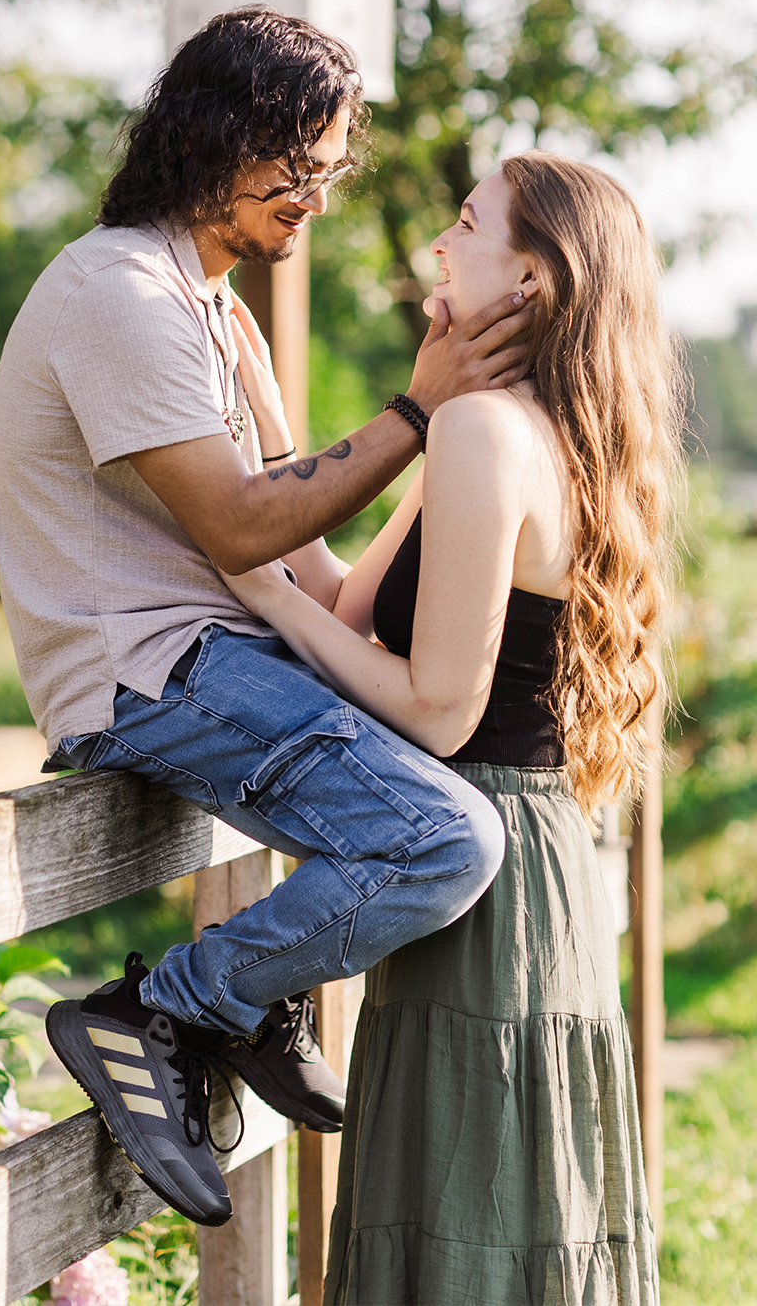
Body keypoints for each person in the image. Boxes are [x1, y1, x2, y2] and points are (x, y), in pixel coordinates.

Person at [0, 5, 538, 1227]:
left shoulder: (216, 315)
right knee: (442, 840)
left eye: (328, 170)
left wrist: (460, 483)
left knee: (460, 803)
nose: (313, 197)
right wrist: (416, 408)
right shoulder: (115, 291)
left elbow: (307, 567)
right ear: (212, 131)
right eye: (294, 162)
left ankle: (243, 995)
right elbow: (240, 527)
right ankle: (173, 1010)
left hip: (225, 656)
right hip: (144, 674)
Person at [219, 152, 668, 1303]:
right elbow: (345, 610)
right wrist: (267, 420)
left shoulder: (481, 434)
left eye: (465, 227)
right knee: (492, 1216)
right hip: (523, 859)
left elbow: (431, 704)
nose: (437, 245)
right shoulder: (504, 427)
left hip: (484, 865)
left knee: (463, 1219)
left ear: (528, 277)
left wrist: (255, 593)